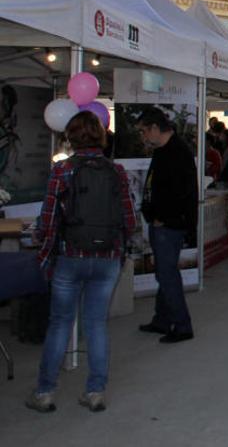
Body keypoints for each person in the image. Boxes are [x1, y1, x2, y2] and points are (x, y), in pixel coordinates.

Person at [27, 111, 136, 413]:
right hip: (107, 258)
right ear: (101, 137)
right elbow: (130, 218)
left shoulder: (62, 170)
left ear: (71, 138)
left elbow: (48, 219)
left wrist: (43, 246)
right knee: (96, 324)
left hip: (70, 256)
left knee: (60, 323)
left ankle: (45, 392)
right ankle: (95, 391)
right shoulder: (117, 172)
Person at [137, 106, 198, 344]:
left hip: (169, 225)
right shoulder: (164, 150)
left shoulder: (177, 153)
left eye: (143, 131)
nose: (143, 137)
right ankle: (162, 319)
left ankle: (182, 325)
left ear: (154, 128)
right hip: (162, 222)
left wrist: (166, 218)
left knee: (167, 274)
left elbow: (183, 193)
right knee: (165, 272)